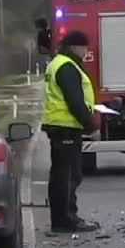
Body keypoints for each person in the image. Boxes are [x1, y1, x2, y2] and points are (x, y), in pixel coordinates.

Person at [43, 30, 100, 233]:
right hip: (65, 128)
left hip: (61, 127)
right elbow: (75, 101)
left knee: (63, 174)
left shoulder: (58, 63)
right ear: (75, 47)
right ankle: (65, 219)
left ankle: (67, 216)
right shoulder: (67, 67)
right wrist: (91, 127)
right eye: (85, 47)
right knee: (67, 176)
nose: (86, 52)